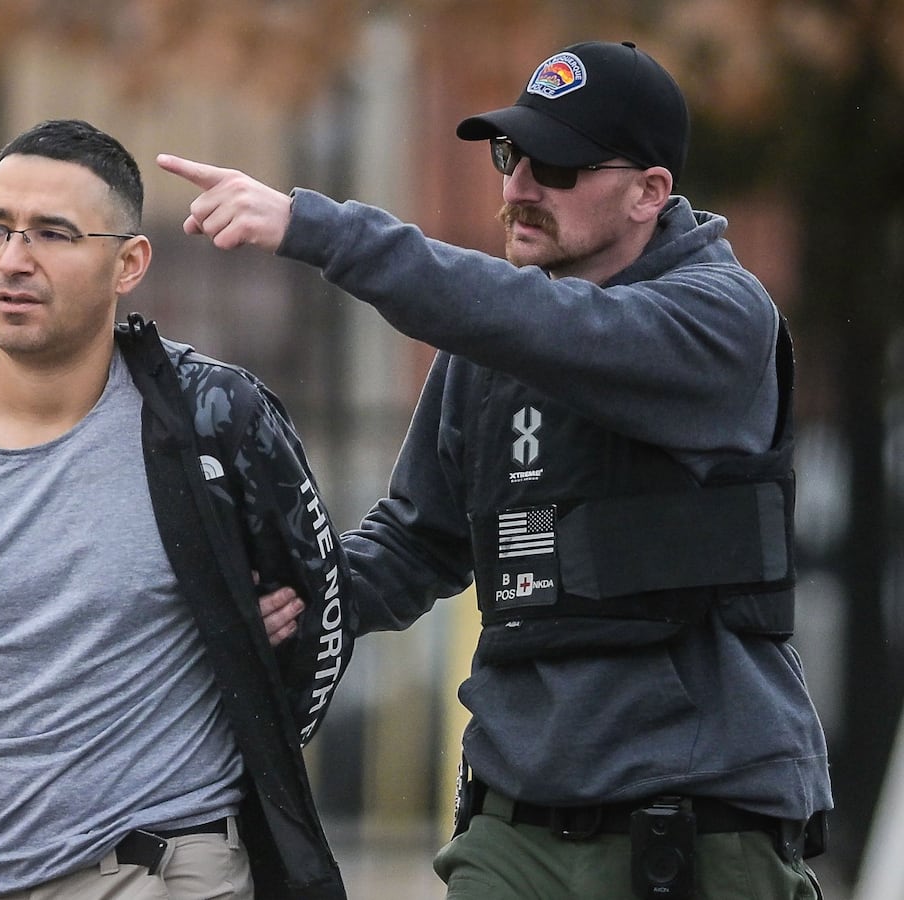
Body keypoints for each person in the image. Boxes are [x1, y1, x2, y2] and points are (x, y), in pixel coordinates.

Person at [161, 39, 830, 900]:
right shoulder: (487, 348)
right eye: (510, 155)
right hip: (513, 826)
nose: (516, 188)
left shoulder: (721, 317)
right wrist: (300, 592)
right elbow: (412, 546)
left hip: (702, 826)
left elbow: (558, 330)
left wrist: (317, 228)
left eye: (554, 165)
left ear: (649, 193)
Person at [0, 119, 353, 900]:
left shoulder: (209, 419)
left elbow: (316, 609)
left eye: (53, 234)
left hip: (158, 870)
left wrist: (254, 726)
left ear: (128, 263)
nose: (14, 260)